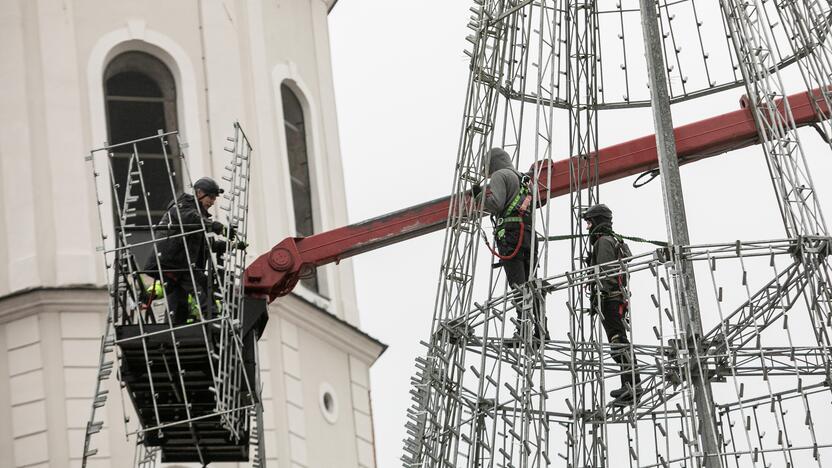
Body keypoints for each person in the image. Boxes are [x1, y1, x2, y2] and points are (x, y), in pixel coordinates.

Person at [473, 148, 549, 343]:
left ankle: (523, 331)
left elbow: (496, 204)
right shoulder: (525, 180)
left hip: (511, 235)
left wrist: (479, 196)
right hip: (529, 236)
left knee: (518, 285)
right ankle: (542, 330)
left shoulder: (500, 175)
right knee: (531, 284)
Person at [144, 177, 227, 325]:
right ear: (199, 192)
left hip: (178, 265)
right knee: (203, 287)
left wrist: (222, 245)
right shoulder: (183, 206)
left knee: (178, 301)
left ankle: (176, 328)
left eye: (215, 198)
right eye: (211, 196)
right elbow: (191, 220)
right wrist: (215, 226)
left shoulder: (197, 215)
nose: (213, 201)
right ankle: (214, 322)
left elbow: (202, 242)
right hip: (174, 262)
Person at [582, 203, 641, 401]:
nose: (588, 228)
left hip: (610, 299)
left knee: (618, 341)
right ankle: (630, 384)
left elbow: (606, 271)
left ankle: (631, 384)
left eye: (589, 223)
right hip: (617, 298)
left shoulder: (604, 242)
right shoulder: (616, 240)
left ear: (597, 221)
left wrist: (601, 294)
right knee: (619, 339)